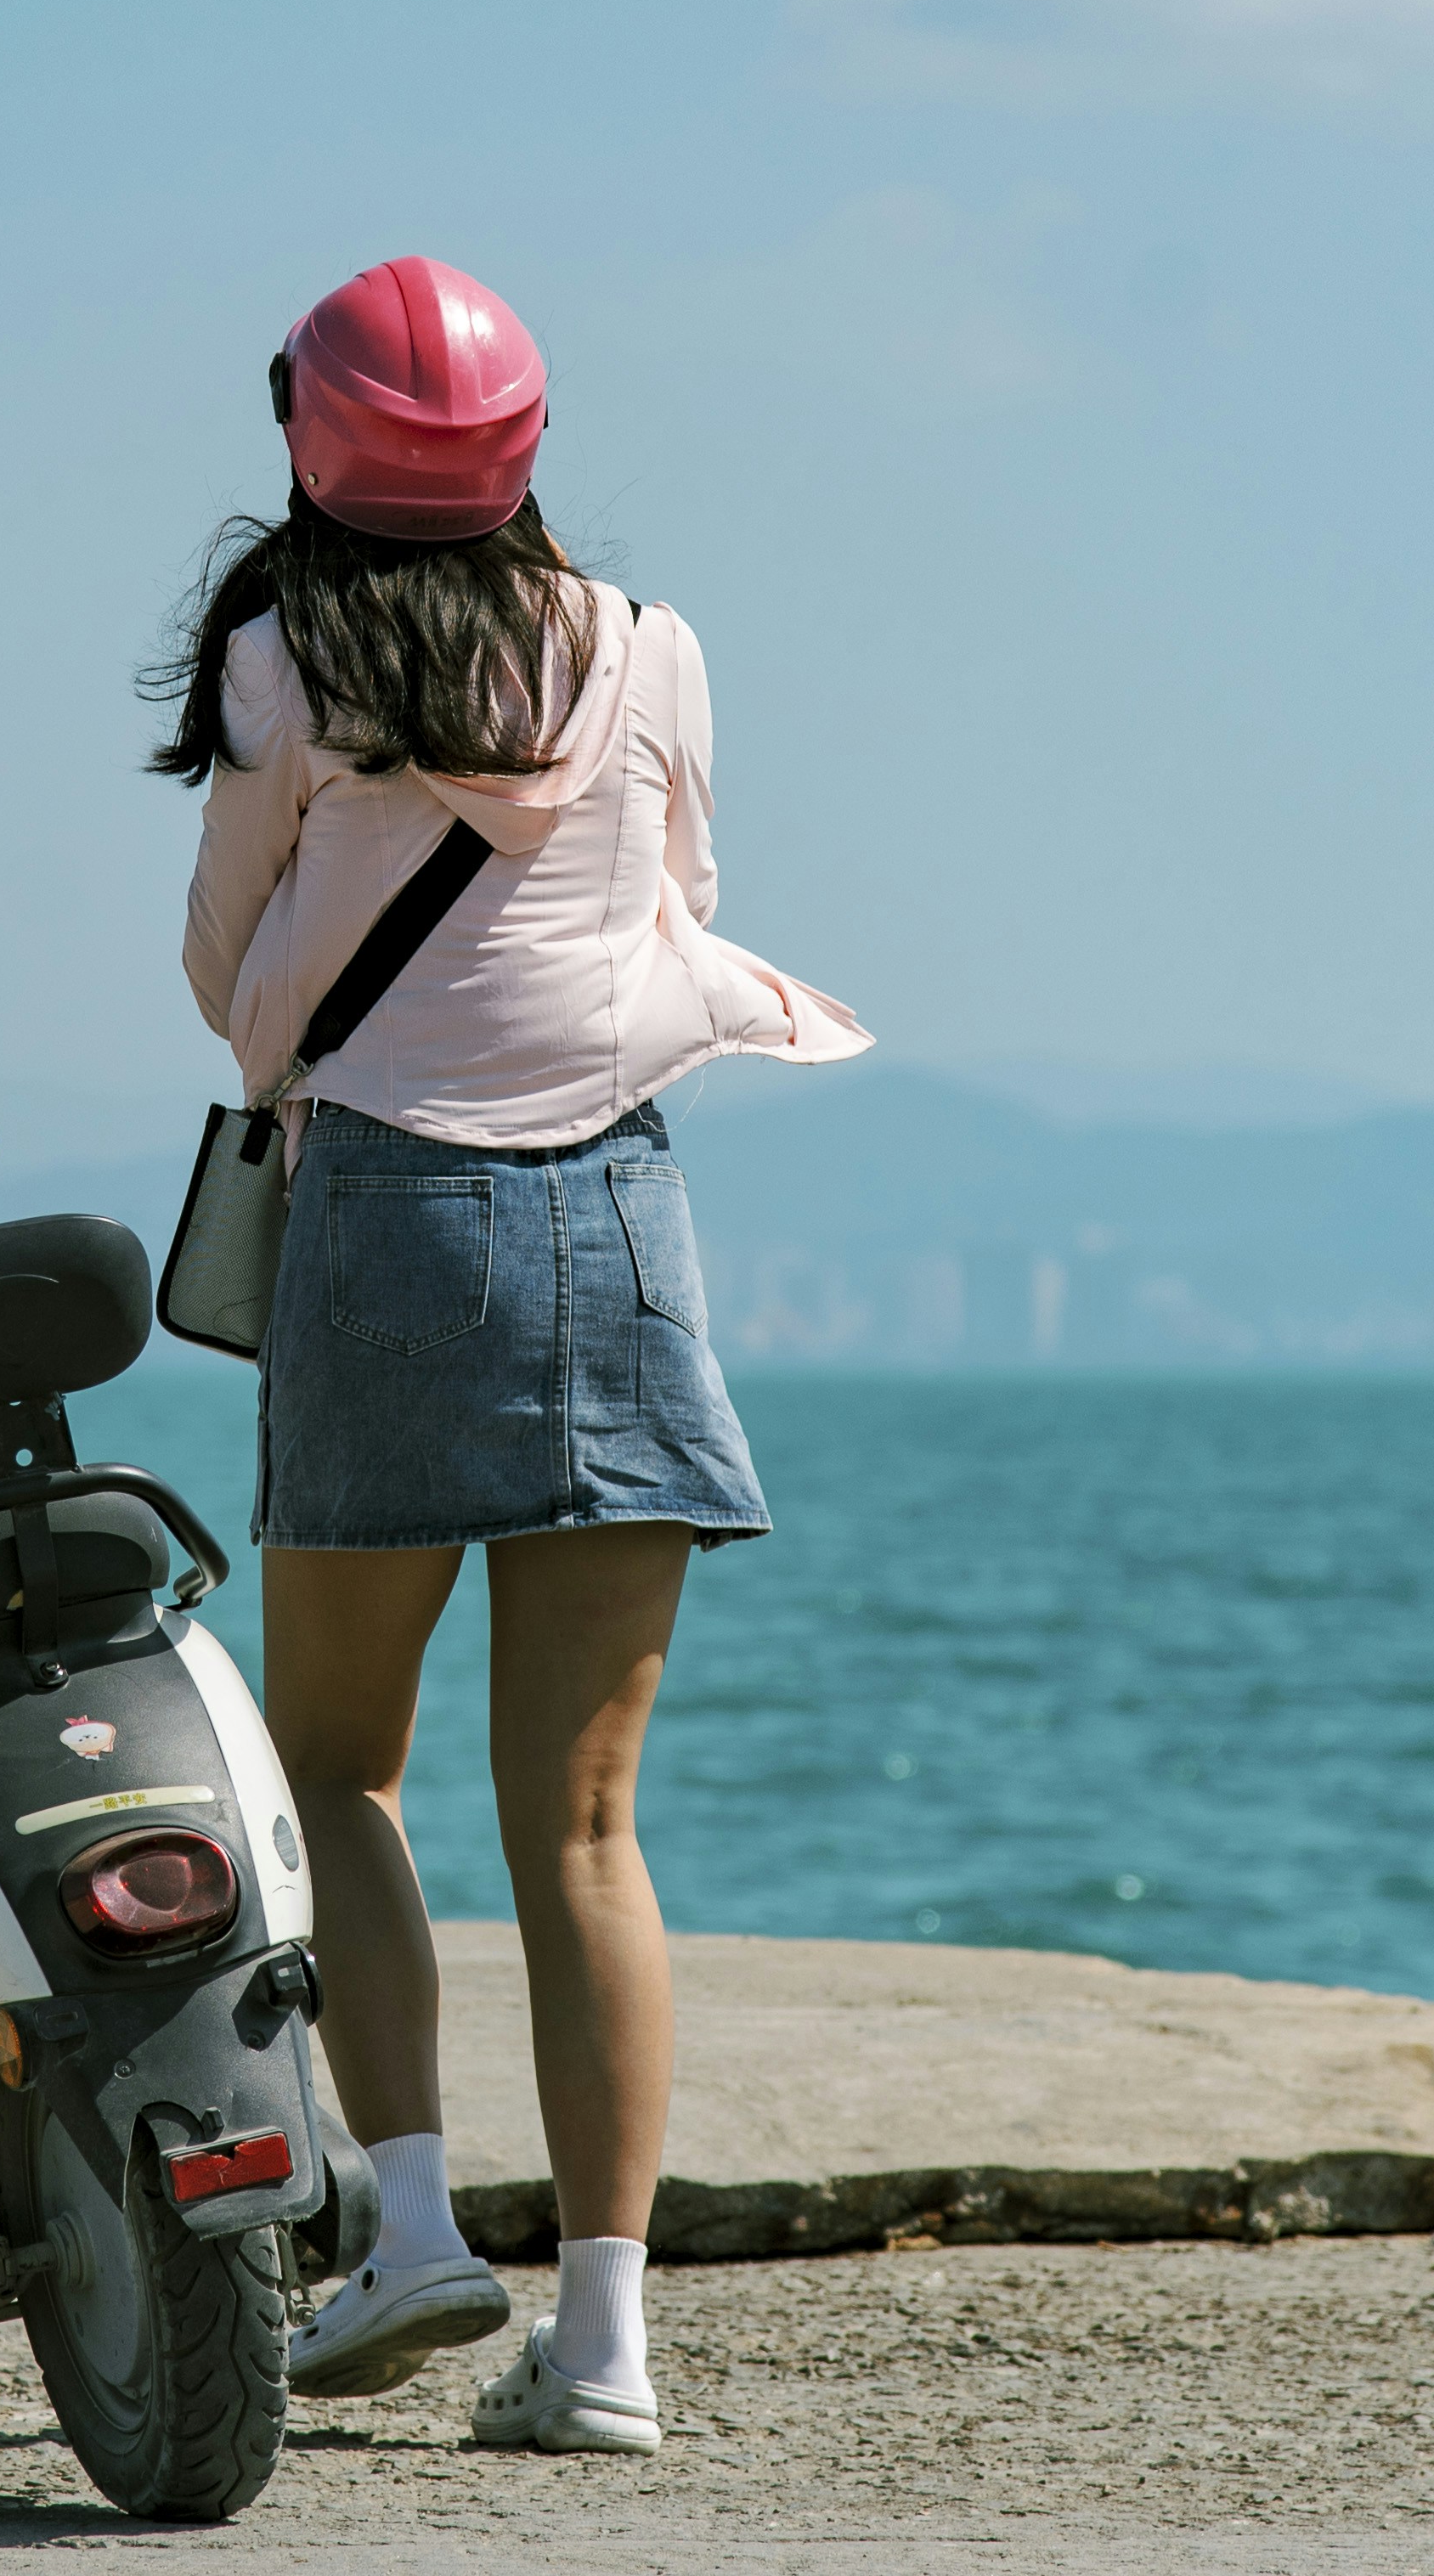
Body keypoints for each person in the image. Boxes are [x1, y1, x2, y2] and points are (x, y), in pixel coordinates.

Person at [153, 256, 867, 2454]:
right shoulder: (654, 652)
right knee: (583, 1826)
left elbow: (224, 975)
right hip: (621, 1224)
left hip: (388, 1222)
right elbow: (684, 888)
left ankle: (411, 2226)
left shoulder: (285, 664)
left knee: (339, 1770)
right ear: (528, 445)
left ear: (312, 443)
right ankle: (611, 2352)